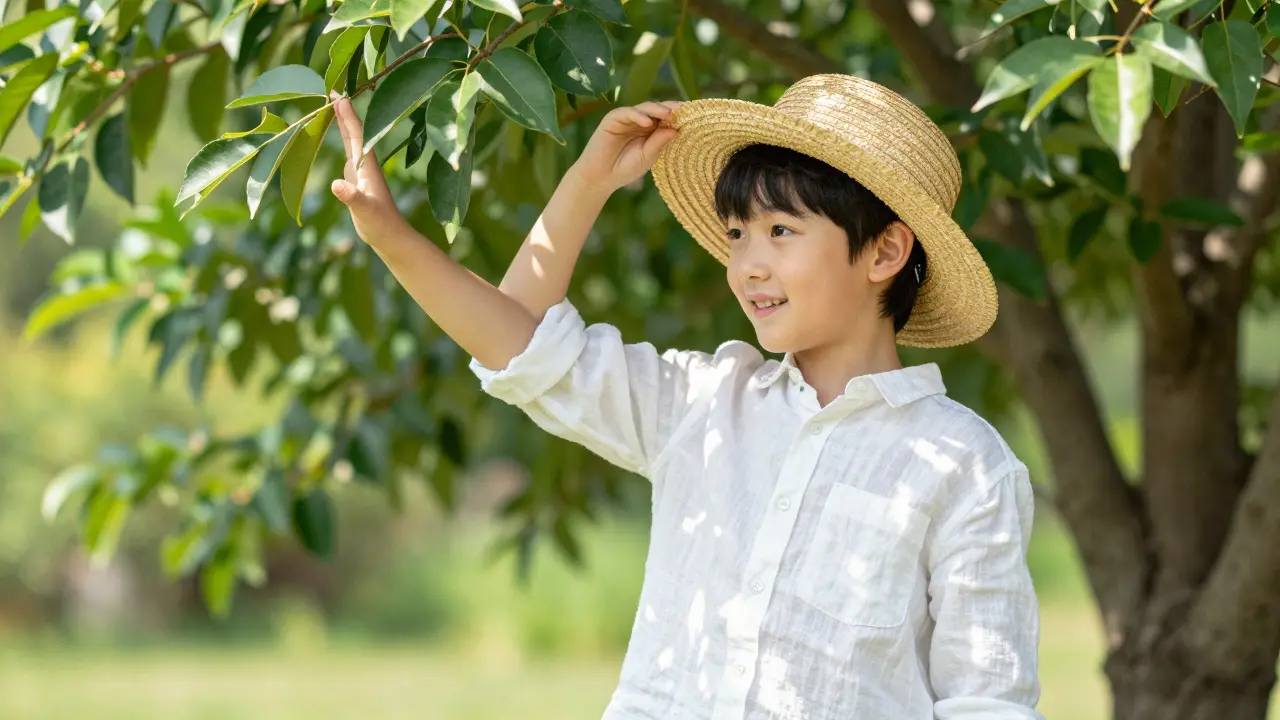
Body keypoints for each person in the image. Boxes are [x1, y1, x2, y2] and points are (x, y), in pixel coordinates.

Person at [328, 72, 1043, 720]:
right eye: (737, 235)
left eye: (781, 231)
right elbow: (520, 344)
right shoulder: (702, 403)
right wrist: (402, 233)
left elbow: (988, 701)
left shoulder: (961, 464)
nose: (748, 264)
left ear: (884, 253)